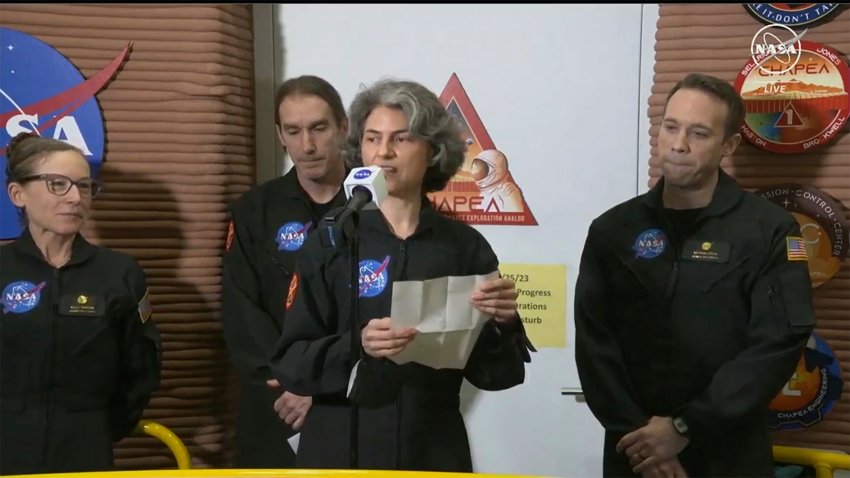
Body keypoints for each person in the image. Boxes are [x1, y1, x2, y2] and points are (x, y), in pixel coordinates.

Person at [269, 78, 534, 471]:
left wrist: (503, 322)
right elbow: (291, 362)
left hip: (431, 448)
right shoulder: (331, 239)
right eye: (373, 139)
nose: (383, 153)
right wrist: (358, 345)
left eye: (401, 139)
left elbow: (500, 374)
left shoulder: (463, 247)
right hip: (340, 446)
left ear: (432, 151)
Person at [574, 72, 816, 477]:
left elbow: (777, 343)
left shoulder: (768, 230)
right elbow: (595, 344)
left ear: (729, 145)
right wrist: (644, 443)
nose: (678, 144)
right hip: (634, 453)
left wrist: (685, 427)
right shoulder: (612, 230)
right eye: (671, 127)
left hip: (728, 451)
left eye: (699, 133)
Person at [0, 132, 161, 474]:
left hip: (86, 446)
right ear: (18, 194)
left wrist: (100, 425)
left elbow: (142, 364)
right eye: (58, 184)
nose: (75, 197)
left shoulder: (119, 273)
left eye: (84, 186)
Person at [220, 75, 349, 467]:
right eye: (293, 131)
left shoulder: (382, 205)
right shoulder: (254, 210)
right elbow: (241, 308)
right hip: (278, 402)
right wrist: (294, 382)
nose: (306, 146)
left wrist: (328, 385)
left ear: (343, 127)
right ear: (279, 134)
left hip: (355, 400)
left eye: (318, 128)